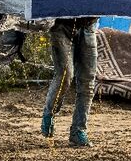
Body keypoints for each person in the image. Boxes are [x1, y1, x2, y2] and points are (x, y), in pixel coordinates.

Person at [40, 17, 99, 147]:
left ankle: (78, 130)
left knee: (88, 82)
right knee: (65, 76)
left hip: (88, 26)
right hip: (61, 26)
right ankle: (49, 115)